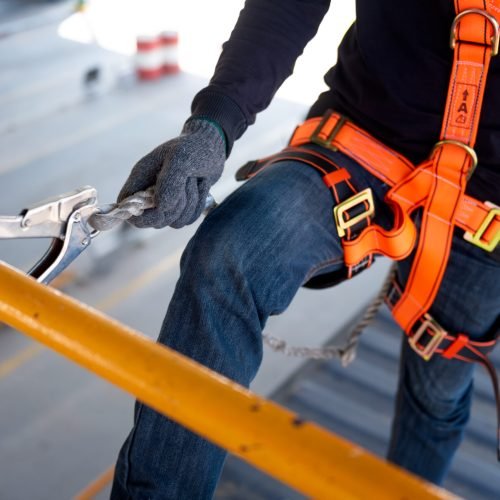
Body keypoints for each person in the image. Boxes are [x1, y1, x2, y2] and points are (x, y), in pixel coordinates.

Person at [110, 1, 500, 498]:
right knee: (228, 255)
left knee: (437, 390)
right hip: (367, 136)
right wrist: (214, 124)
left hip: (488, 199)